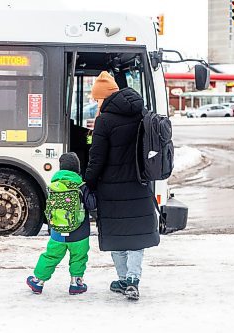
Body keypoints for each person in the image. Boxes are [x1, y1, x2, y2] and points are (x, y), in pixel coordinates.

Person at [84, 71, 159, 301]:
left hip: (112, 189)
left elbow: (97, 159)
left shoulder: (104, 121)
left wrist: (89, 181)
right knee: (136, 235)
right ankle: (134, 279)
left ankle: (125, 279)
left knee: (117, 235)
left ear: (104, 98)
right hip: (139, 184)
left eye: (97, 100)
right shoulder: (141, 113)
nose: (96, 103)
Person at [27, 152, 96, 295]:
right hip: (80, 234)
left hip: (57, 233)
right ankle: (76, 283)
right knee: (78, 257)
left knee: (51, 256)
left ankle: (38, 281)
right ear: (77, 169)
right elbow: (92, 204)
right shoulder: (81, 186)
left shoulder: (53, 186)